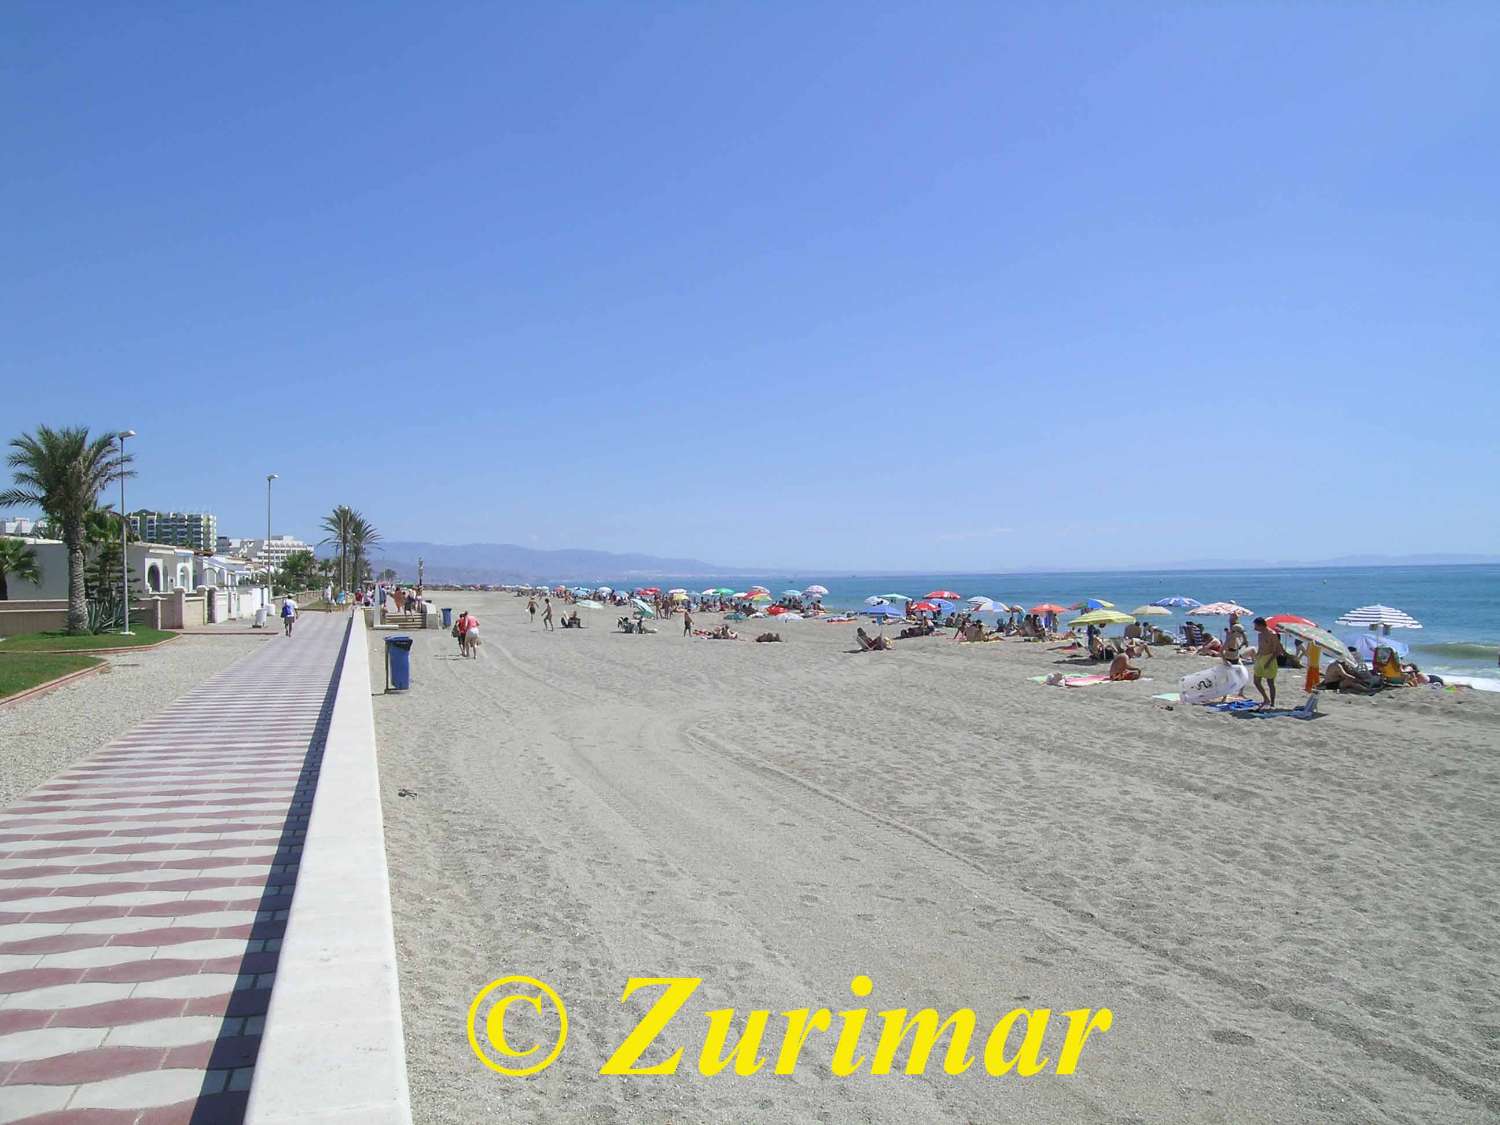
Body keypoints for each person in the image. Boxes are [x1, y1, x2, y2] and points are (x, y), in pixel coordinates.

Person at [1252, 617, 1283, 709]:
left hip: (1269, 658)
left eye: (1256, 626)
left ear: (1261, 625)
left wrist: (1268, 662)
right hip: (1260, 658)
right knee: (1256, 681)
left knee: (1270, 682)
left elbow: (1277, 651)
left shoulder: (1272, 634)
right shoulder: (1260, 635)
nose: (1254, 628)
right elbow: (1261, 647)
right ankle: (1266, 698)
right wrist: (1256, 657)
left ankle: (1272, 702)